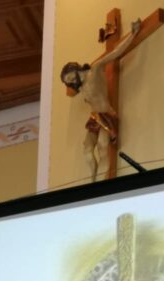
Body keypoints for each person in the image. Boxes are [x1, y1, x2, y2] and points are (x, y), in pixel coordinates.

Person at [60, 17, 143, 181]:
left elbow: (115, 52)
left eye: (70, 77)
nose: (71, 82)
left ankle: (101, 183)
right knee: (87, 151)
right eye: (68, 82)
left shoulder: (95, 69)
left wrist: (133, 34)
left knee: (103, 147)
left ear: (75, 69)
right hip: (94, 117)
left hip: (106, 114)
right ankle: (92, 183)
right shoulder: (81, 88)